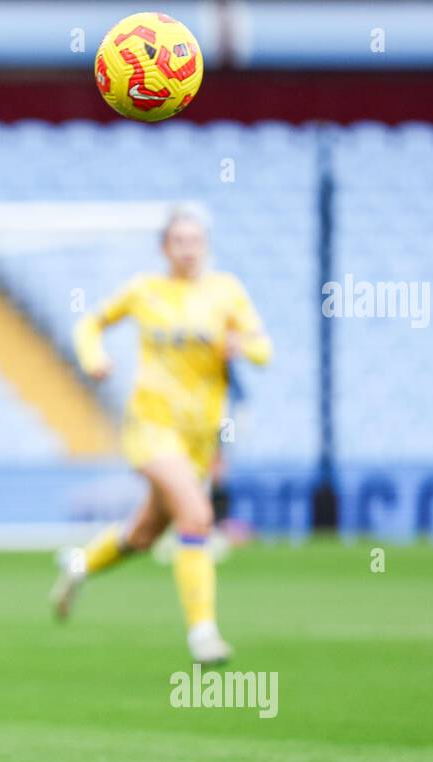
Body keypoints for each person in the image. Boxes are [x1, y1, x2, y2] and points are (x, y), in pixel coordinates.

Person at [49, 207, 272, 665]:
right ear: (164, 248)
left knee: (147, 533)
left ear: (205, 246)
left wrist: (242, 345)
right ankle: (203, 634)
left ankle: (78, 565)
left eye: (196, 241)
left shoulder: (226, 292)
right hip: (150, 426)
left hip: (199, 435)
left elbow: (264, 349)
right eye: (180, 242)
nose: (189, 250)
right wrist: (93, 358)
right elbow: (88, 324)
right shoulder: (145, 290)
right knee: (196, 515)